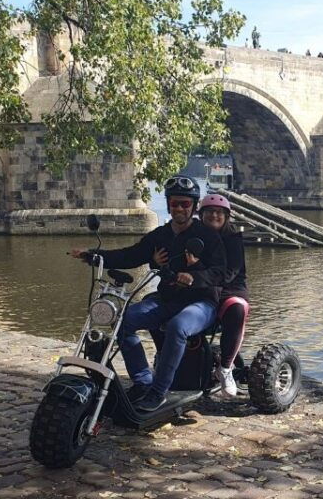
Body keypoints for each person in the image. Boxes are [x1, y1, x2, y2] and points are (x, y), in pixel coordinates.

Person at [69, 175, 226, 411]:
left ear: (194, 206)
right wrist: (93, 256)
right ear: (169, 204)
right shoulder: (160, 235)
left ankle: (158, 392)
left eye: (185, 204)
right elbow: (131, 255)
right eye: (174, 203)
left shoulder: (209, 236)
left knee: (178, 326)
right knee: (124, 320)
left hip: (201, 302)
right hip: (167, 299)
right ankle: (143, 381)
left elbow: (222, 272)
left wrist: (194, 277)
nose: (179, 208)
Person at [197, 194, 249, 397]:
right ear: (201, 215)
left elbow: (230, 273)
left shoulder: (233, 240)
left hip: (229, 289)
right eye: (209, 212)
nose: (214, 216)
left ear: (227, 216)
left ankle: (226, 368)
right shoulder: (194, 236)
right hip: (202, 289)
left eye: (219, 213)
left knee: (237, 308)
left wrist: (196, 270)